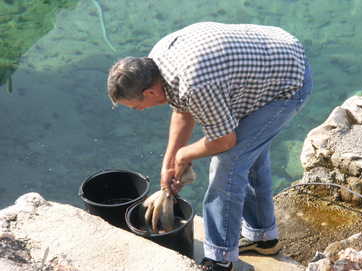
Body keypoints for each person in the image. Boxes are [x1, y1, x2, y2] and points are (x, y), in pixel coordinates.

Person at [106, 22, 313, 271]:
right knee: (251, 156)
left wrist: (183, 156)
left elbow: (225, 141)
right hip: (263, 66)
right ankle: (263, 239)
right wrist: (169, 162)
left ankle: (220, 258)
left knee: (229, 161)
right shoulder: (156, 63)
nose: (138, 111)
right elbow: (182, 110)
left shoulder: (195, 84)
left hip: (288, 82)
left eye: (136, 106)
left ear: (149, 92)